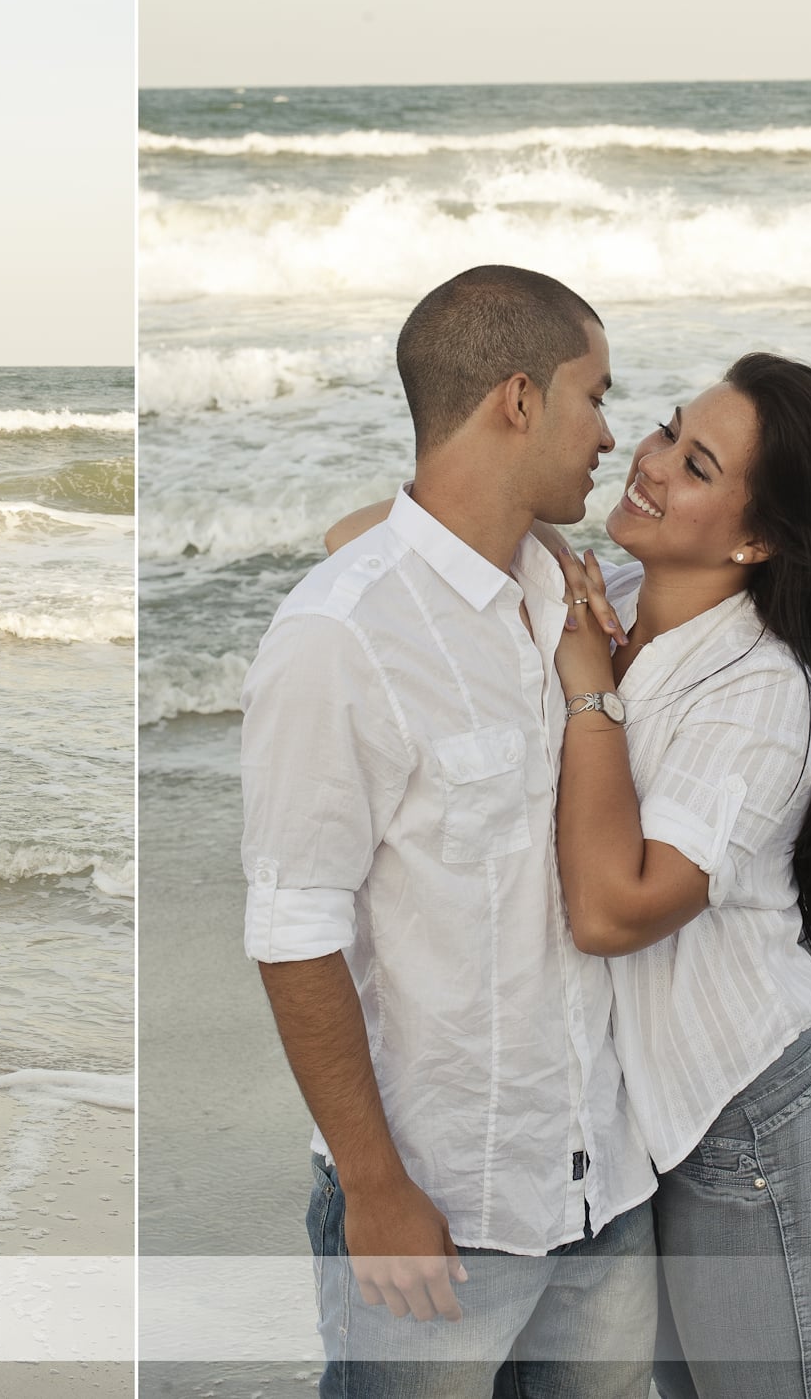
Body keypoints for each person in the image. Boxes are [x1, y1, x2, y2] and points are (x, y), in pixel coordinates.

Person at [242, 265, 658, 1398]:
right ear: (516, 401)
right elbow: (291, 929)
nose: (611, 431)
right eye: (594, 394)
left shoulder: (566, 591)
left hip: (603, 1193)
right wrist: (375, 1188)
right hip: (437, 1212)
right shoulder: (339, 636)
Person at [544, 356, 811, 1398]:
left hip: (770, 1118)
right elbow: (369, 543)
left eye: (696, 462)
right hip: (670, 1127)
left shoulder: (760, 688)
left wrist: (589, 695)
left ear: (754, 537)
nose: (652, 463)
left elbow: (612, 908)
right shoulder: (611, 594)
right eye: (667, 430)